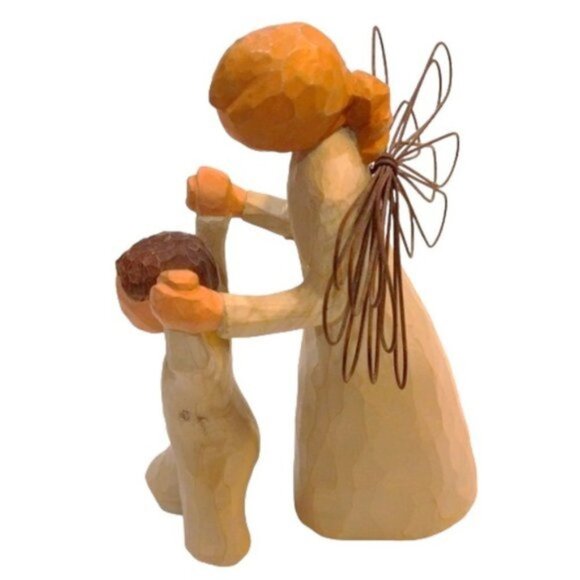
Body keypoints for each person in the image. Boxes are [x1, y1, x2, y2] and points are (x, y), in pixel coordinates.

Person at [149, 23, 477, 539]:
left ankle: (392, 513)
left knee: (373, 456)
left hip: (370, 351)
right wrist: (240, 202)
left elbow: (328, 299)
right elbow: (309, 227)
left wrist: (219, 312)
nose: (227, 115)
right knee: (346, 445)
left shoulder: (333, 175)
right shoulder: (319, 150)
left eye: (244, 111)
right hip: (350, 344)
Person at [116, 221, 259, 565]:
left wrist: (177, 293)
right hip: (192, 438)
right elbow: (215, 276)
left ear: (161, 303)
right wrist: (212, 225)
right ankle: (179, 495)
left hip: (213, 455)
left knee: (214, 545)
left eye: (128, 300)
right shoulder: (204, 313)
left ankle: (220, 546)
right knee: (160, 484)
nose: (123, 306)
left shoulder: (188, 351)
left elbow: (190, 314)